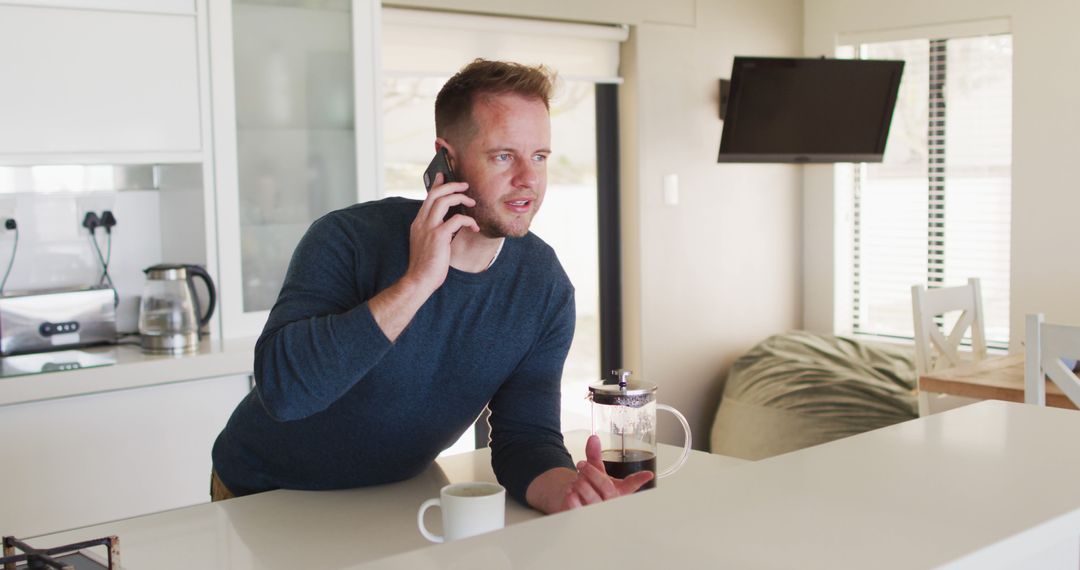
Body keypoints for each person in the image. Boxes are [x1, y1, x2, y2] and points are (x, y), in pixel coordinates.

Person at [211, 59, 652, 513]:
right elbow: (285, 393)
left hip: (399, 495)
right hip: (263, 493)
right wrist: (419, 281)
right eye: (504, 156)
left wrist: (567, 489)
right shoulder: (347, 238)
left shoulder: (544, 288)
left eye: (539, 156)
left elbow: (526, 437)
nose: (529, 179)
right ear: (447, 157)